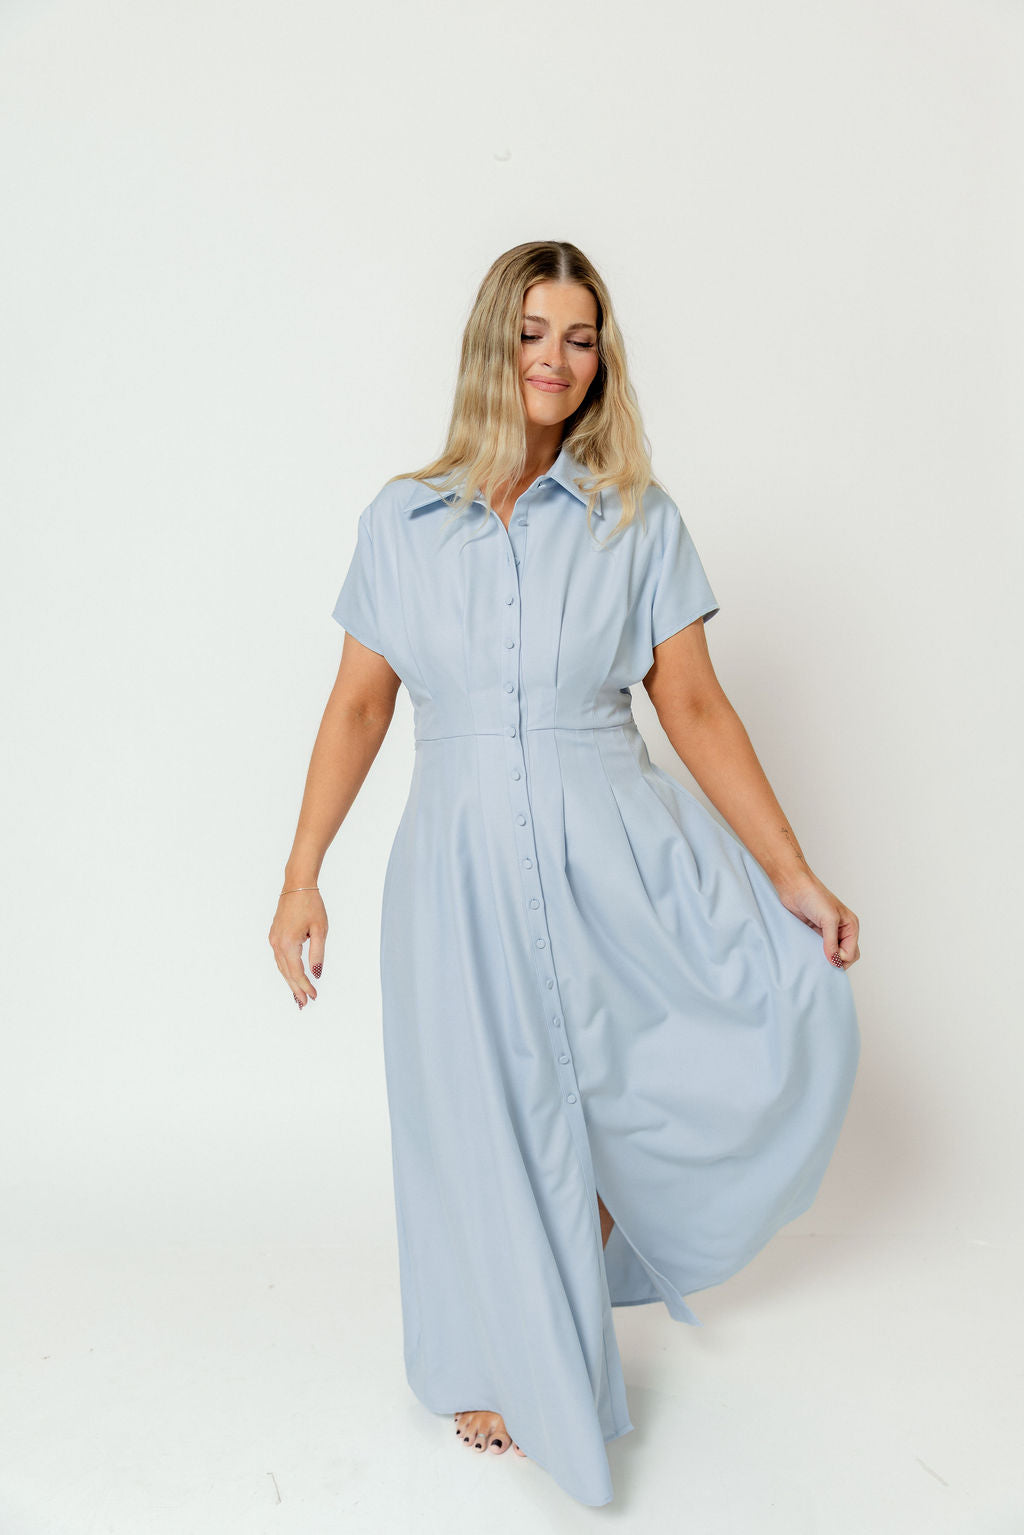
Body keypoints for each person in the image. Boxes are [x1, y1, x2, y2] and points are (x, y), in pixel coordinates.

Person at [268, 240, 862, 1507]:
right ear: (493, 344)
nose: (554, 358)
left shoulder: (635, 518)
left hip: (614, 854)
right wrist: (301, 871)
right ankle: (495, 1346)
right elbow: (360, 705)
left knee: (619, 1082)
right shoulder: (401, 521)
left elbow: (691, 704)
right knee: (473, 1112)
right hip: (457, 867)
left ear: (602, 360)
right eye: (533, 332)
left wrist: (793, 873)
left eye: (580, 338)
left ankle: (562, 1287)